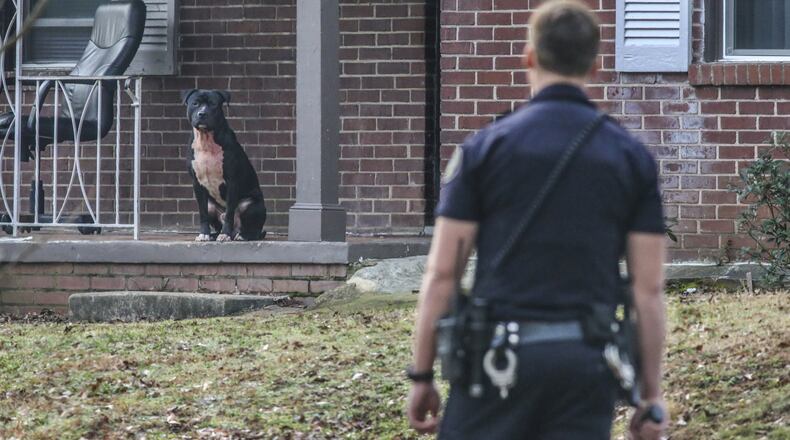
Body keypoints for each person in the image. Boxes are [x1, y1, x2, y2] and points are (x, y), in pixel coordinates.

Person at [405, 1, 669, 439]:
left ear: (529, 57)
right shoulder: (631, 158)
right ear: (596, 66)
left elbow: (442, 274)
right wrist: (650, 396)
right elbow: (648, 288)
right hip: (584, 365)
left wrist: (422, 374)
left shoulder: (483, 150)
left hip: (494, 362)